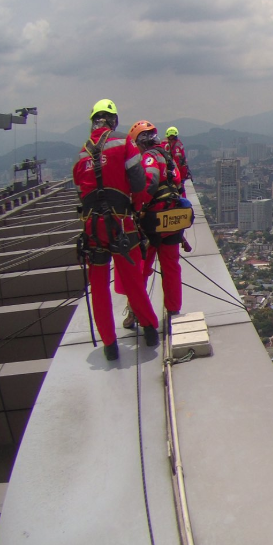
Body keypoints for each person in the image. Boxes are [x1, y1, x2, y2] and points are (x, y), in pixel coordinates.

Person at [72, 100, 160, 360]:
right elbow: (139, 182)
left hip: (92, 226)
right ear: (114, 120)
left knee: (98, 287)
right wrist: (135, 205)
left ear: (93, 121)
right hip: (121, 222)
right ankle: (149, 329)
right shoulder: (124, 143)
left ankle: (109, 346)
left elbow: (81, 192)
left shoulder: (81, 154)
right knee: (132, 279)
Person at [127, 120, 190, 321]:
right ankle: (173, 309)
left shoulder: (149, 158)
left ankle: (137, 311)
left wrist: (137, 207)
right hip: (172, 218)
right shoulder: (167, 156)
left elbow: (150, 183)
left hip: (154, 220)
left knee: (143, 268)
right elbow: (178, 181)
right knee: (171, 267)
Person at [164, 126, 192, 190]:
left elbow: (177, 163)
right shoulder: (177, 144)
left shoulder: (176, 147)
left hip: (180, 172)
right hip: (182, 171)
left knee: (180, 189)